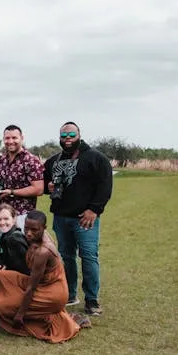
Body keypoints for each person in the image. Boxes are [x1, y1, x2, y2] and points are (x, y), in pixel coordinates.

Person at [43, 121, 113, 316]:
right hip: (61, 216)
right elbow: (43, 181)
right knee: (66, 257)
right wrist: (48, 186)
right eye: (64, 136)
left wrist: (94, 210)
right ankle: (70, 294)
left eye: (71, 135)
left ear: (79, 135)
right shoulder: (53, 161)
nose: (67, 139)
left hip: (85, 218)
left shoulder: (95, 158)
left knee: (89, 257)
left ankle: (92, 300)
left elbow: (105, 186)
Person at [0, 211, 89, 342]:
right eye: (26, 228)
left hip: (53, 292)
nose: (29, 233)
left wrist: (20, 314)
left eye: (34, 230)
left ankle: (60, 320)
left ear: (44, 228)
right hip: (41, 283)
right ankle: (47, 314)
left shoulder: (43, 251)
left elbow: (31, 287)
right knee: (0, 276)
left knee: (1, 306)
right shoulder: (32, 238)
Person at [0, 125, 44, 230]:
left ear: (22, 138)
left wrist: (11, 192)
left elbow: (38, 189)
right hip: (4, 215)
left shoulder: (31, 160)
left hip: (23, 215)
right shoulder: (2, 159)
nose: (10, 141)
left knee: (22, 245)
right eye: (7, 138)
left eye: (14, 138)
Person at [0, 203, 29, 274]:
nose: (2, 222)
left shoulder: (14, 239)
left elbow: (23, 267)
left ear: (14, 219)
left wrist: (5, 270)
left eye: (6, 219)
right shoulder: (5, 235)